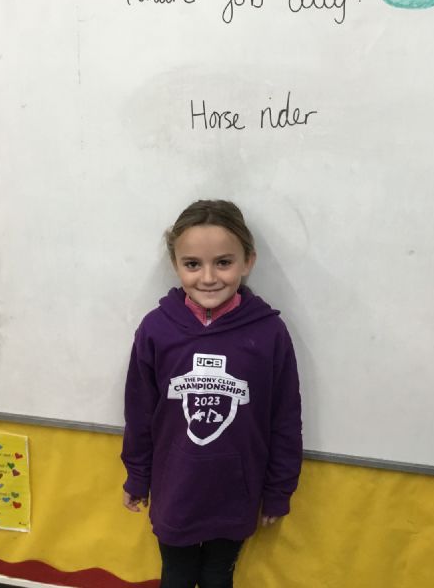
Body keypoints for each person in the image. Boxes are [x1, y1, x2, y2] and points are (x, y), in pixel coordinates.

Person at [121, 200, 302, 588]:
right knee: (177, 575)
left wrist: (278, 490)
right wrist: (137, 476)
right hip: (175, 489)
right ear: (175, 264)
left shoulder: (269, 333)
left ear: (248, 261)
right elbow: (139, 413)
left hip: (236, 492)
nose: (208, 277)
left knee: (219, 576)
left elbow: (285, 419)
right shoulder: (156, 330)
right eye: (192, 264)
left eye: (223, 262)